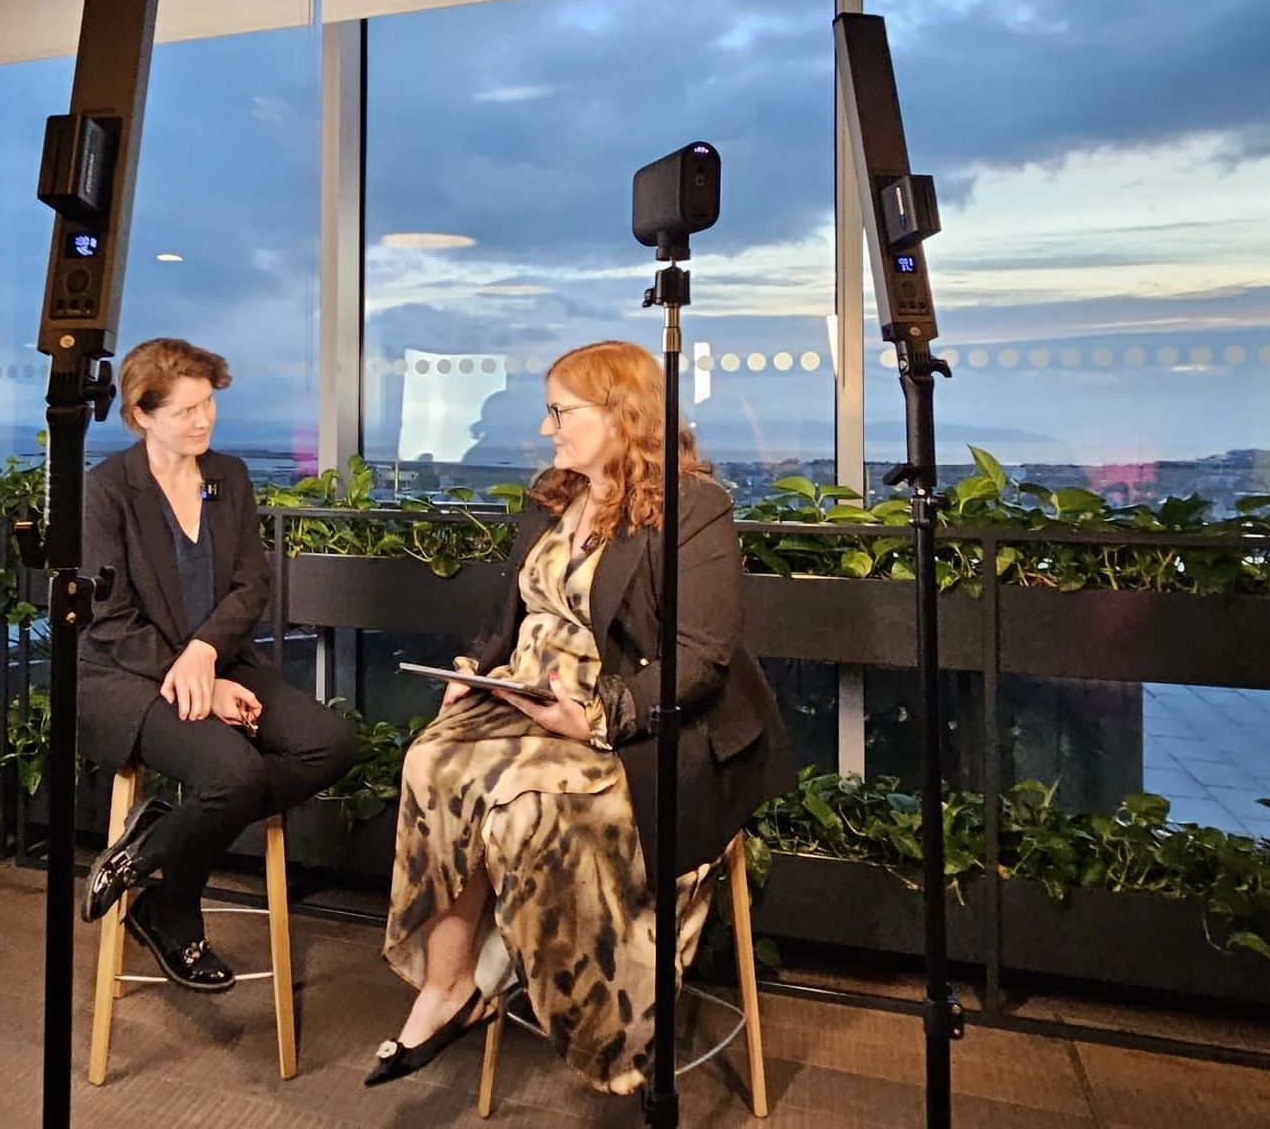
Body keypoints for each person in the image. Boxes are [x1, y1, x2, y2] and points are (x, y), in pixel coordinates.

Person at [370, 339, 793, 1092]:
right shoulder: (553, 499)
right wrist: (473, 668)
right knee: (430, 761)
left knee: (521, 812)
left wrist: (597, 717)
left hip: (642, 722)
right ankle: (448, 985)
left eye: (560, 412)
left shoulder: (693, 507)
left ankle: (605, 1030)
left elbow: (700, 658)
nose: (547, 428)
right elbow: (510, 614)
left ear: (620, 413)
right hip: (530, 699)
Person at [78, 337, 357, 991]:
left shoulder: (227, 477)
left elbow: (251, 585)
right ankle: (175, 909)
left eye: (208, 404)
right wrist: (191, 674)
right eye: (185, 411)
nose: (203, 420)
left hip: (221, 660)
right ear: (141, 415)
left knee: (330, 744)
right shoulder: (106, 490)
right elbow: (110, 618)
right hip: (128, 676)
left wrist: (207, 657)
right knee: (231, 775)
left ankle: (157, 848)